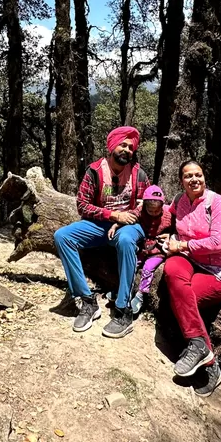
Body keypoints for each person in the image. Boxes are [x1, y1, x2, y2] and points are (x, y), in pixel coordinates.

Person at [53, 126, 149, 338]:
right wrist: (113, 216)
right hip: (101, 223)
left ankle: (123, 309)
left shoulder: (138, 174)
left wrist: (125, 219)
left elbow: (145, 205)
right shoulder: (95, 171)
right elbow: (82, 205)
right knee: (62, 236)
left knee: (126, 241)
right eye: (123, 145)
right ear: (112, 146)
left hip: (129, 225)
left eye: (130, 147)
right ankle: (87, 301)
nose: (127, 150)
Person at [164, 160, 221, 397]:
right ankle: (199, 346)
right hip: (188, 259)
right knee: (170, 271)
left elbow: (218, 243)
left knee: (186, 298)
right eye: (188, 176)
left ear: (204, 177)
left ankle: (209, 364)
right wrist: (144, 208)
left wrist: (181, 245)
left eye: (198, 175)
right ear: (181, 181)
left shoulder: (217, 203)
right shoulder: (180, 201)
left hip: (218, 269)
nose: (194, 179)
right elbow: (165, 214)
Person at [109, 184, 172, 313]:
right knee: (132, 264)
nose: (153, 213)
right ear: (145, 206)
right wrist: (115, 225)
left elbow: (176, 229)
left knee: (148, 268)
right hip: (143, 247)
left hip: (158, 251)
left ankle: (140, 295)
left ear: (162, 206)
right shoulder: (141, 211)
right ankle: (122, 289)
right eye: (150, 211)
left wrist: (170, 236)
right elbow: (129, 216)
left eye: (156, 211)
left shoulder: (168, 216)